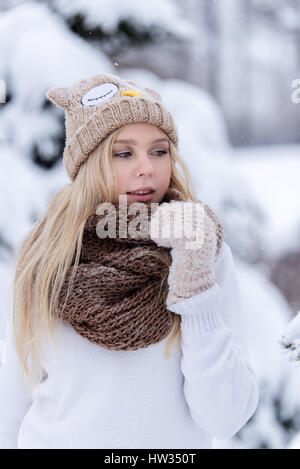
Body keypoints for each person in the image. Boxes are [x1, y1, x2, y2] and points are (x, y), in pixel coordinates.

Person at [0, 73, 259, 449]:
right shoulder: (48, 254)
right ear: (88, 164)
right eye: (124, 153)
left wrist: (193, 284)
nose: (147, 168)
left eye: (159, 150)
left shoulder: (200, 247)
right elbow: (12, 403)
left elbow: (226, 416)